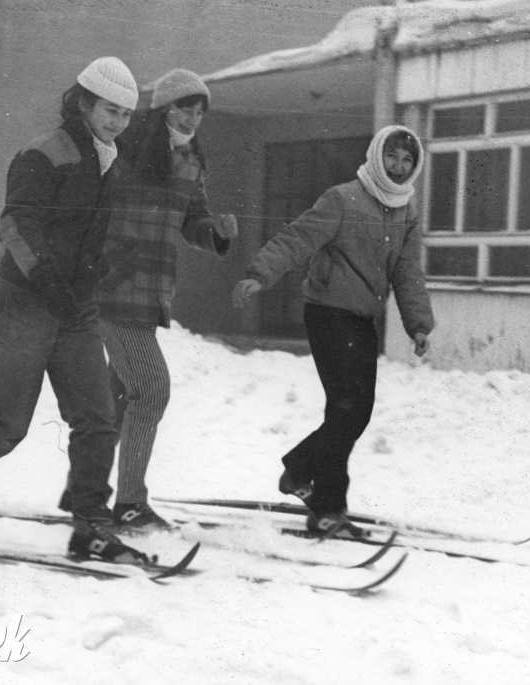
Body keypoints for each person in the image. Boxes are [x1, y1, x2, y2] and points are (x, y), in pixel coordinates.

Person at [0, 57, 150, 564]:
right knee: (8, 423)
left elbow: (89, 232)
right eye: (110, 110)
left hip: (76, 307)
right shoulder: (45, 152)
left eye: (126, 115)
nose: (117, 122)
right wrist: (49, 279)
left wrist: (99, 270)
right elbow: (18, 223)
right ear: (85, 101)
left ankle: (91, 525)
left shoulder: (107, 158)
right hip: (26, 303)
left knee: (98, 416)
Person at [232, 124, 435, 539]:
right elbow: (297, 238)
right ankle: (313, 487)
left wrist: (418, 323)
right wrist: (260, 274)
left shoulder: (406, 211)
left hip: (362, 319)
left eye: (407, 160)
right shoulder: (343, 198)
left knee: (352, 414)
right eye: (392, 156)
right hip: (327, 313)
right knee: (348, 411)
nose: (398, 166)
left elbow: (406, 270)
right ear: (377, 155)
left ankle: (319, 496)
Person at [57, 68, 239, 529]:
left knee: (120, 395)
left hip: (151, 291)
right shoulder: (125, 149)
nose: (192, 118)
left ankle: (82, 489)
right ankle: (130, 502)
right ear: (163, 108)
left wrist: (214, 232)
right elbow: (83, 197)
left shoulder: (192, 159)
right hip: (111, 287)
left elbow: (192, 219)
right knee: (151, 387)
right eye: (184, 108)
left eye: (199, 112)